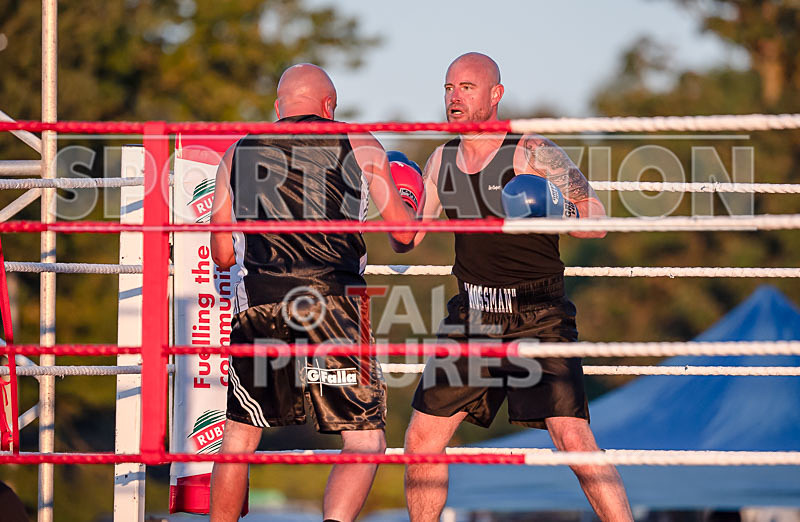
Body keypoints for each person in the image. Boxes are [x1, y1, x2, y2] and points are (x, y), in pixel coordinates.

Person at [394, 53, 634, 522]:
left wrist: (553, 207)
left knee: (572, 438)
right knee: (421, 440)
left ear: (494, 95)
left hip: (538, 313)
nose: (454, 97)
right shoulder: (440, 160)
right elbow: (409, 238)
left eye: (466, 86)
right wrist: (387, 187)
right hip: (473, 316)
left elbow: (596, 220)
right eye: (448, 88)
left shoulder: (532, 150)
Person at [208, 63, 423, 522]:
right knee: (365, 439)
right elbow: (402, 234)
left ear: (278, 106)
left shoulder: (236, 153)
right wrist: (411, 199)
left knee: (239, 440)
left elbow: (223, 254)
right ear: (330, 107)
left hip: (262, 304)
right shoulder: (360, 143)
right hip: (334, 304)